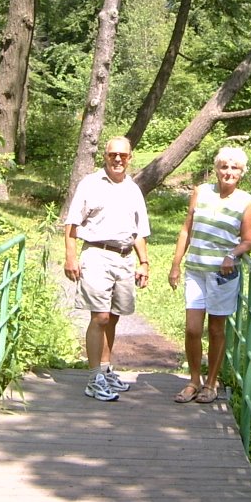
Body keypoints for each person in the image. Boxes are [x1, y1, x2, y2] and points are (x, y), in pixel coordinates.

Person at [64, 136, 151, 401]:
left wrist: (144, 262)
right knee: (99, 317)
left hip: (124, 258)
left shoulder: (132, 189)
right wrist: (70, 258)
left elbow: (139, 231)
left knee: (113, 316)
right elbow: (72, 225)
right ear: (105, 155)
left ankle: (105, 369)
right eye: (113, 154)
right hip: (97, 254)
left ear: (130, 158)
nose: (117, 159)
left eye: (122, 155)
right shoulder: (90, 184)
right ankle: (93, 379)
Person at [168, 146, 251, 404]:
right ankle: (193, 381)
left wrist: (232, 255)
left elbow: (248, 241)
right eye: (224, 167)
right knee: (193, 329)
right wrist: (175, 264)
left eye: (234, 168)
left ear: (241, 173)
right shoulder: (201, 191)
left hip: (222, 275)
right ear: (216, 168)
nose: (228, 172)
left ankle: (211, 383)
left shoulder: (245, 201)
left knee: (216, 329)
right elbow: (187, 229)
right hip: (195, 270)